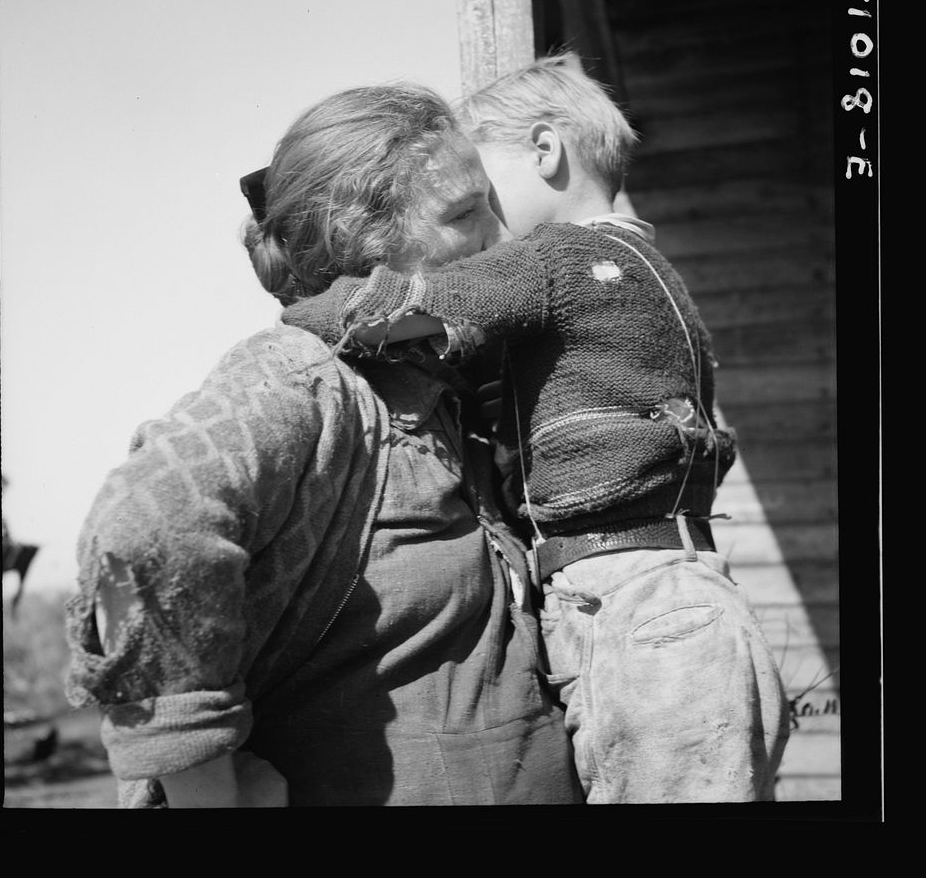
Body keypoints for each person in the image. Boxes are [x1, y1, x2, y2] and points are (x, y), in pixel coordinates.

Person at [282, 52, 791, 804]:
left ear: (546, 151)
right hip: (671, 596)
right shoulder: (645, 272)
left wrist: (301, 313)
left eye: (484, 195)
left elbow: (412, 302)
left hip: (642, 608)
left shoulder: (562, 257)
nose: (486, 226)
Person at [64, 82, 584, 808]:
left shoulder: (441, 391)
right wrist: (204, 790)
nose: (501, 237)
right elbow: (133, 536)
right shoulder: (305, 382)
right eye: (466, 213)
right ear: (368, 247)